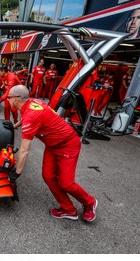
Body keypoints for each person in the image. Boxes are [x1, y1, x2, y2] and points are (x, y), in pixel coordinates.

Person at [8, 84, 98, 222]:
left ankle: (90, 202)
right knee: (48, 176)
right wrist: (13, 126)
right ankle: (69, 209)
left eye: (9, 97)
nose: (7, 99)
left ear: (16, 99)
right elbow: (26, 117)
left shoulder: (31, 115)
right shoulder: (31, 103)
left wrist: (17, 172)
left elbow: (24, 150)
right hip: (52, 145)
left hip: (68, 145)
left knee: (66, 183)